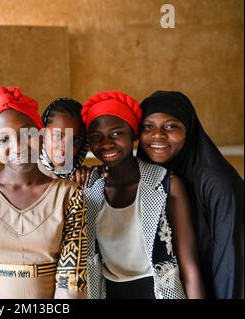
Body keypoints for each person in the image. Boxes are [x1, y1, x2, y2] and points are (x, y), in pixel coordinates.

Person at [0, 86, 87, 299]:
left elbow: (72, 282)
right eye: (3, 139)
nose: (18, 147)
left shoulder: (69, 196)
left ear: (41, 135)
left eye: (27, 134)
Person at [82, 91, 205, 299]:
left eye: (116, 133)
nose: (106, 143)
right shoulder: (89, 186)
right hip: (107, 292)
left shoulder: (166, 184)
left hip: (160, 292)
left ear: (134, 134)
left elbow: (189, 267)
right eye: (96, 137)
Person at [137, 90, 244, 299]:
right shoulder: (145, 177)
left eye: (170, 126)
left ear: (189, 130)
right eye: (148, 126)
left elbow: (231, 262)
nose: (158, 134)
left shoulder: (217, 182)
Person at [39, 98, 89, 181]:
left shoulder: (84, 180)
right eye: (57, 136)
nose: (65, 148)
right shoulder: (23, 177)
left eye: (75, 140)